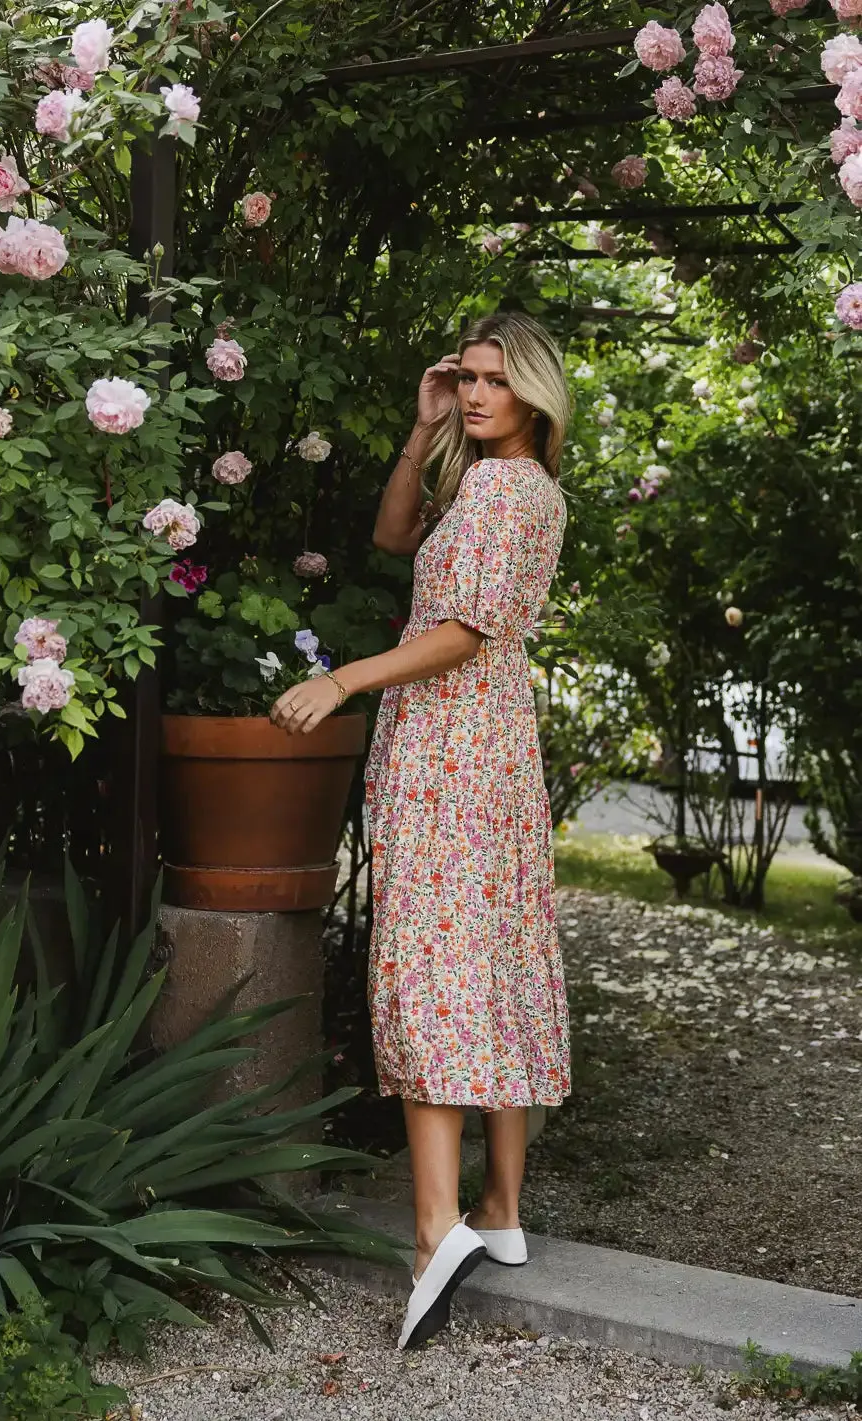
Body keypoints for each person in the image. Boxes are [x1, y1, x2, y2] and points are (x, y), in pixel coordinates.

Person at [269, 311, 572, 1350]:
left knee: (428, 961)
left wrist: (344, 675)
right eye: (469, 378)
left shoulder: (499, 491)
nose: (478, 393)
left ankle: (436, 1226)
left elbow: (461, 630)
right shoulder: (523, 489)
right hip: (494, 746)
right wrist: (422, 425)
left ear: (534, 391)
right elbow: (396, 537)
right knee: (486, 953)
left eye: (495, 380)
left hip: (448, 746)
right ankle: (501, 1208)